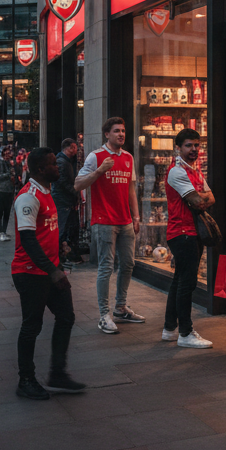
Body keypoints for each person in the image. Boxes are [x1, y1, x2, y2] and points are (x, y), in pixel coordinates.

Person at [12, 147, 85, 399]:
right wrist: (53, 271)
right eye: (55, 164)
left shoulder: (46, 191)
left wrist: (60, 247)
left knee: (66, 317)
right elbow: (28, 240)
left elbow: (45, 232)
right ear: (41, 169)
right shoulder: (28, 197)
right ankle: (26, 380)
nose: (59, 167)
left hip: (50, 268)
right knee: (31, 325)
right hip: (30, 272)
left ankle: (57, 373)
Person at [75, 117, 143, 334]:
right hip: (104, 221)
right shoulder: (96, 157)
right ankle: (104, 314)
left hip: (125, 221)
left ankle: (120, 308)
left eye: (123, 131)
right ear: (107, 134)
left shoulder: (129, 158)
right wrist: (99, 171)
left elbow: (131, 189)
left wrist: (136, 216)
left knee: (129, 264)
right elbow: (78, 184)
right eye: (116, 131)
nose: (121, 134)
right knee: (106, 267)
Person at [162, 128, 215, 349]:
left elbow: (211, 198)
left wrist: (200, 195)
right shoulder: (177, 171)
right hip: (182, 233)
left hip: (189, 232)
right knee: (187, 283)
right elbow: (198, 202)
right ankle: (185, 332)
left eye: (196, 145)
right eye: (188, 145)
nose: (194, 149)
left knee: (179, 281)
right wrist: (200, 195)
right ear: (179, 147)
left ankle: (169, 328)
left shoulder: (194, 170)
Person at [53, 138, 82, 264]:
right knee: (63, 228)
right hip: (63, 200)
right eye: (75, 147)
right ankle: (60, 255)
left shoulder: (66, 161)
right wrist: (74, 190)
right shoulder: (61, 162)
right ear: (70, 147)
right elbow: (61, 181)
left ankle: (66, 254)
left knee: (68, 228)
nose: (76, 150)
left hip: (66, 200)